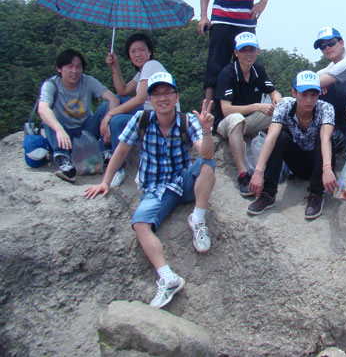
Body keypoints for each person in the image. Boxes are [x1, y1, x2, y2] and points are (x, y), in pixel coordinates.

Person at [84, 72, 216, 309]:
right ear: (149, 99)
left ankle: (197, 218)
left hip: (182, 181)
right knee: (140, 224)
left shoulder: (187, 120)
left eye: (167, 92)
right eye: (156, 94)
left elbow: (206, 153)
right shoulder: (141, 119)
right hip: (154, 188)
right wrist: (105, 182)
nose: (162, 98)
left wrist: (206, 132)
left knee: (207, 163)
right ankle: (167, 277)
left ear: (176, 97)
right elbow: (121, 151)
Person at [247, 71, 337, 220]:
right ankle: (268, 194)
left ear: (319, 94)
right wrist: (258, 172)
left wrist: (327, 168)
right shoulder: (285, 105)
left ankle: (316, 194)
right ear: (294, 93)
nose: (309, 100)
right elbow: (271, 137)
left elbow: (326, 138)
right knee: (281, 136)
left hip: (319, 163)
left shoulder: (325, 108)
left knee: (323, 137)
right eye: (304, 94)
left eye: (313, 95)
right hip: (297, 162)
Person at [101, 33, 174, 187]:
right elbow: (122, 91)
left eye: (141, 50)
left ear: (149, 51)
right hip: (150, 114)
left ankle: (118, 169)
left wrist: (110, 114)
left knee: (117, 120)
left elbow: (139, 99)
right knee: (117, 100)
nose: (137, 54)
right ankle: (106, 147)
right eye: (133, 51)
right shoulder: (142, 72)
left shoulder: (151, 65)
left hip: (160, 119)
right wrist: (114, 66)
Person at [215, 32, 281, 195]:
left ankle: (281, 164)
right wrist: (256, 107)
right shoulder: (227, 73)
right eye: (243, 50)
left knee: (284, 108)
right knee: (237, 119)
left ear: (257, 51)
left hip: (249, 121)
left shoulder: (258, 69)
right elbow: (226, 110)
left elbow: (272, 91)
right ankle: (243, 174)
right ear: (236, 53)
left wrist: (277, 98)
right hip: (227, 123)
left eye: (251, 49)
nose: (248, 54)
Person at [38, 49, 119, 182]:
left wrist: (108, 120)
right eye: (69, 66)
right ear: (59, 68)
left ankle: (105, 152)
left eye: (78, 67)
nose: (74, 71)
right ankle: (65, 163)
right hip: (64, 132)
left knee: (106, 106)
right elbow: (42, 108)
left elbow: (113, 99)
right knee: (48, 118)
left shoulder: (87, 81)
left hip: (85, 129)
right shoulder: (51, 84)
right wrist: (59, 129)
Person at [314, 26, 346, 137]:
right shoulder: (334, 65)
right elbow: (314, 78)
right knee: (316, 92)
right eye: (323, 46)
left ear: (341, 43)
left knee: (317, 92)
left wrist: (320, 84)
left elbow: (312, 83)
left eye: (331, 43)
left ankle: (333, 134)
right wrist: (321, 85)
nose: (327, 48)